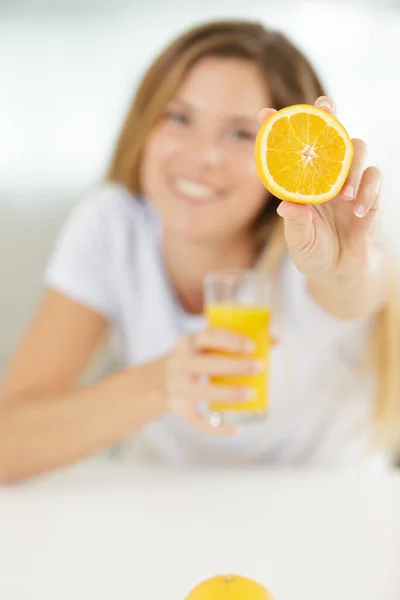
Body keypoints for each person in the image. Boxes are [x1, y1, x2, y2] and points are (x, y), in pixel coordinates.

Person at [0, 19, 399, 482]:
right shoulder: (113, 225)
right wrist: (159, 383)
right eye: (179, 118)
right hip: (178, 517)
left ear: (285, 157)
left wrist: (342, 269)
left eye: (239, 135)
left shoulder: (316, 236)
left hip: (326, 512)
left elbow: (354, 286)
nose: (202, 155)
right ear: (144, 127)